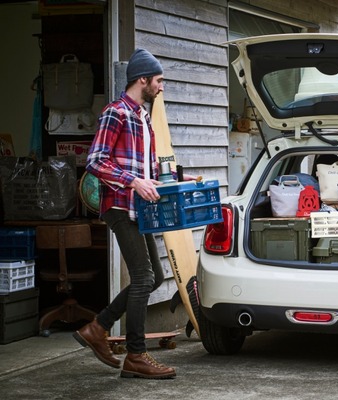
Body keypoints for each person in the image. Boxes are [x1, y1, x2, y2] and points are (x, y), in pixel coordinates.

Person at [75, 48, 179, 379]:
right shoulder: (115, 113)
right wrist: (132, 181)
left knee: (155, 277)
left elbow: (146, 167)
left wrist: (176, 179)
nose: (161, 88)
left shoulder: (143, 117)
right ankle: (136, 355)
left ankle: (98, 327)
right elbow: (94, 160)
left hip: (140, 209)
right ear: (143, 80)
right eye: (159, 81)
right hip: (119, 206)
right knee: (144, 277)